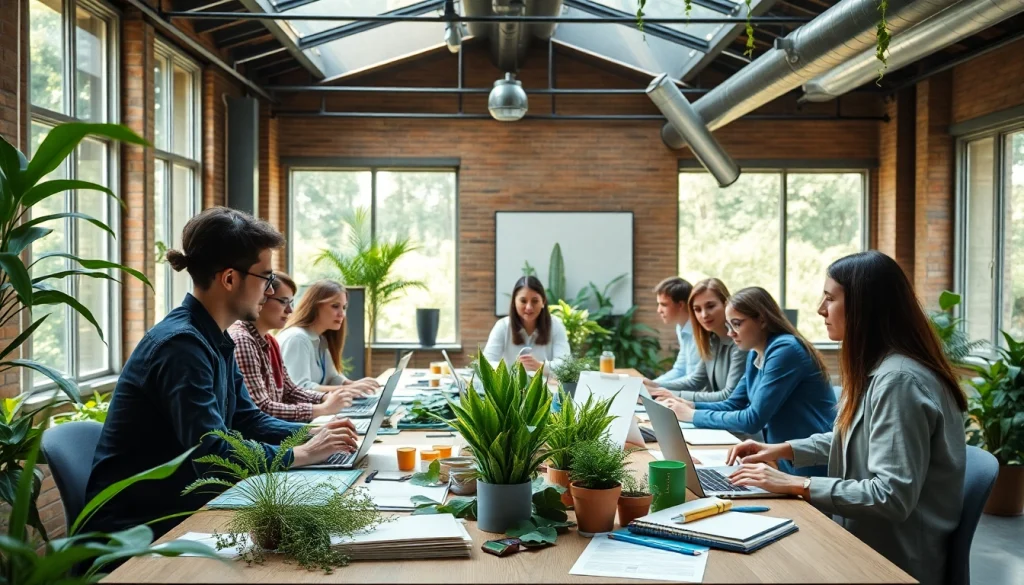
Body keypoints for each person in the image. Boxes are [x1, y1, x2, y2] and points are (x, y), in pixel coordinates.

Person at [85, 208, 359, 538]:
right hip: (141, 531)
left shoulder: (217, 337)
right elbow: (210, 452)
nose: (270, 292)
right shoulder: (181, 346)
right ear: (229, 278)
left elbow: (248, 419)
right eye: (266, 279)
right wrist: (301, 454)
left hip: (185, 512)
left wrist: (314, 435)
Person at [725, 251, 967, 585]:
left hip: (889, 562)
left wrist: (797, 483)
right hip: (859, 540)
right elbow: (853, 437)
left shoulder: (899, 381)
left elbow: (891, 496)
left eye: (830, 298)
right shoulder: (880, 369)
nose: (820, 309)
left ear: (864, 307)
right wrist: (782, 449)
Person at [658, 287, 836, 476]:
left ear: (761, 319)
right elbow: (733, 403)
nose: (731, 333)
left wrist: (692, 415)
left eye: (737, 324)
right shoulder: (755, 352)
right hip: (784, 462)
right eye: (728, 326)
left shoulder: (785, 349)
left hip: (810, 465)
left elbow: (752, 420)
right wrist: (691, 405)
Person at [229, 273, 353, 422]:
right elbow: (262, 408)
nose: (290, 310)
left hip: (275, 429)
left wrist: (325, 397)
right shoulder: (243, 340)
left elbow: (290, 390)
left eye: (291, 303)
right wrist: (322, 409)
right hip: (259, 439)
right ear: (261, 298)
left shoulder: (269, 341)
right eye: (283, 302)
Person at [645, 278, 747, 402]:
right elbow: (696, 380)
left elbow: (728, 396)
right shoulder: (711, 340)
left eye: (710, 306)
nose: (704, 315)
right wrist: (653, 386)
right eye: (697, 309)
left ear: (726, 305)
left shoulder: (740, 342)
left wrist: (665, 394)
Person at [277, 280, 381, 394]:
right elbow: (300, 388)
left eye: (344, 307)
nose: (342, 314)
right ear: (315, 306)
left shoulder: (321, 339)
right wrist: (348, 389)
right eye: (335, 306)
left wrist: (355, 385)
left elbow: (333, 378)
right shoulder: (297, 339)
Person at [483, 276, 570, 372]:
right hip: (511, 386)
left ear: (543, 302)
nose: (529, 307)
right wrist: (511, 370)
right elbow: (487, 363)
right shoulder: (503, 326)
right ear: (514, 302)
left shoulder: (556, 325)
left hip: (546, 386)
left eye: (535, 301)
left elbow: (565, 365)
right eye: (523, 301)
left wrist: (540, 366)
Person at [651, 277, 701, 384]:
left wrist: (654, 387)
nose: (659, 310)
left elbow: (695, 380)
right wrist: (653, 384)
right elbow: (680, 369)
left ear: (680, 305)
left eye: (663, 305)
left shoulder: (700, 331)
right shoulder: (681, 327)